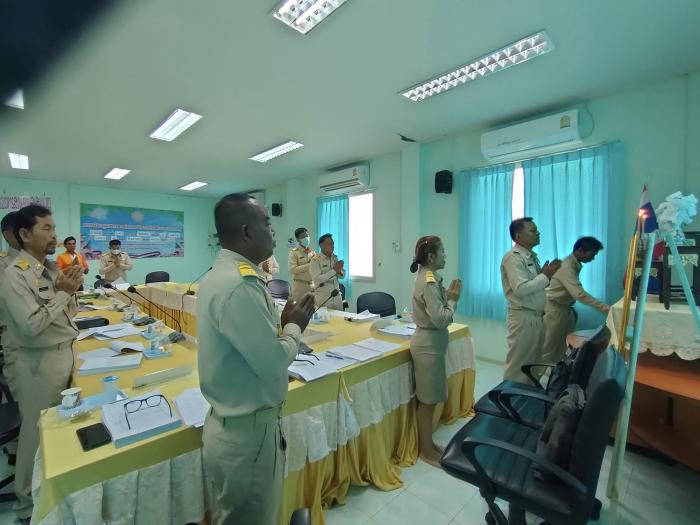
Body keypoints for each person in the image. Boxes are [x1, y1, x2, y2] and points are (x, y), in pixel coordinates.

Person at [197, 193, 315, 525]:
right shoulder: (239, 284)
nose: (275, 230)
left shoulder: (222, 274)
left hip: (236, 430)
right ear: (246, 232)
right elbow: (272, 363)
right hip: (247, 440)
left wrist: (281, 324)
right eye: (268, 223)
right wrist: (294, 327)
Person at [0, 205, 83, 522]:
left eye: (54, 227)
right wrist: (64, 294)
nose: (55, 234)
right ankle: (25, 506)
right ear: (24, 235)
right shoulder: (14, 275)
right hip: (38, 363)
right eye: (46, 228)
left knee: (56, 431)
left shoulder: (48, 269)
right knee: (36, 436)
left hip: (63, 353)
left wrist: (69, 291)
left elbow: (66, 315)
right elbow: (32, 325)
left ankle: (52, 492)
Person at [409, 236, 462, 467]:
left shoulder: (431, 277)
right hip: (427, 345)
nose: (446, 255)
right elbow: (441, 319)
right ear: (431, 257)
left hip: (432, 344)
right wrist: (452, 301)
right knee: (427, 400)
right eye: (443, 252)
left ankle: (429, 445)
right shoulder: (427, 281)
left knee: (431, 398)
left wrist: (448, 298)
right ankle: (425, 450)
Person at [500, 218, 561, 382]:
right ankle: (508, 403)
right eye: (533, 230)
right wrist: (545, 276)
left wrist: (544, 274)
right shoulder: (513, 258)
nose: (538, 233)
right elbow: (520, 289)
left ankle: (526, 402)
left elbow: (533, 286)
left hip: (536, 317)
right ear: (518, 237)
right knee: (518, 368)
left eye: (537, 229)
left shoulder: (530, 256)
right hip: (523, 318)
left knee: (534, 365)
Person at [542, 237, 610, 363]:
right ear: (580, 250)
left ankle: (556, 379)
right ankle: (531, 381)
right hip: (554, 310)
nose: (593, 258)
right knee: (548, 349)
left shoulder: (573, 265)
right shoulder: (566, 267)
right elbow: (580, 295)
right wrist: (606, 309)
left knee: (562, 349)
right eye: (592, 254)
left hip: (564, 310)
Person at [309, 233, 344, 310]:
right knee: (325, 321)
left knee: (339, 321)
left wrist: (340, 271)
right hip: (324, 299)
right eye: (330, 244)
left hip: (337, 297)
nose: (333, 246)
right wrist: (334, 271)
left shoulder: (335, 258)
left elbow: (342, 276)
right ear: (321, 245)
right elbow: (317, 279)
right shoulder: (315, 260)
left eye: (333, 244)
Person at [288, 227, 315, 301]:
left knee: (312, 310)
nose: (306, 238)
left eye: (307, 236)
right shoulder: (294, 253)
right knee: (299, 310)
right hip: (300, 287)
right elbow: (292, 270)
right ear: (297, 239)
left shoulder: (312, 252)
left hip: (312, 286)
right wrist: (309, 265)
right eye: (303, 237)